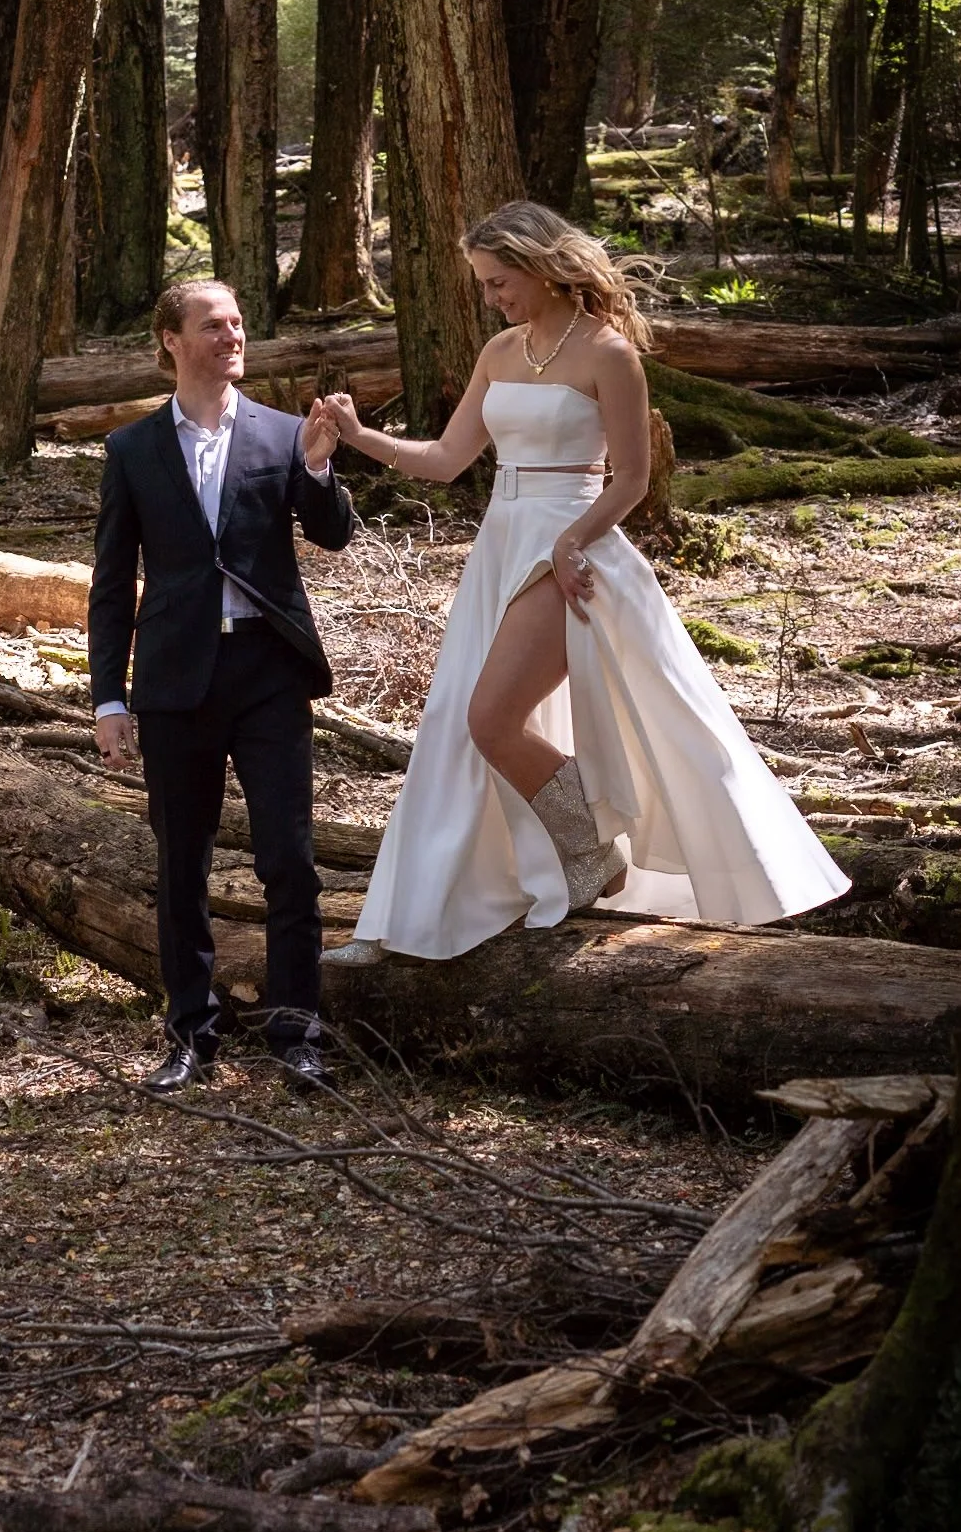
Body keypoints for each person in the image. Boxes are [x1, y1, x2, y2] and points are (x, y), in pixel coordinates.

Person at [319, 201, 847, 966]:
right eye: (485, 285)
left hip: (571, 548)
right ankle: (419, 913)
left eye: (500, 281)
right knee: (454, 726)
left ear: (540, 267)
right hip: (502, 543)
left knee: (488, 717)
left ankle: (590, 846)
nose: (492, 297)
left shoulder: (608, 354)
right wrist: (359, 435)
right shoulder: (500, 351)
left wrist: (571, 540)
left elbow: (631, 479)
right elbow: (444, 460)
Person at [90, 278, 356, 1089]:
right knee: (182, 863)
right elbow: (110, 581)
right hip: (175, 677)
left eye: (239, 323)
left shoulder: (283, 435)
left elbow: (334, 535)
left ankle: (296, 1033)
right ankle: (190, 1037)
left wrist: (315, 470)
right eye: (213, 325)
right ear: (171, 340)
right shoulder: (131, 450)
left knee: (289, 858)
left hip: (267, 670)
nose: (232, 336)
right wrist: (108, 698)